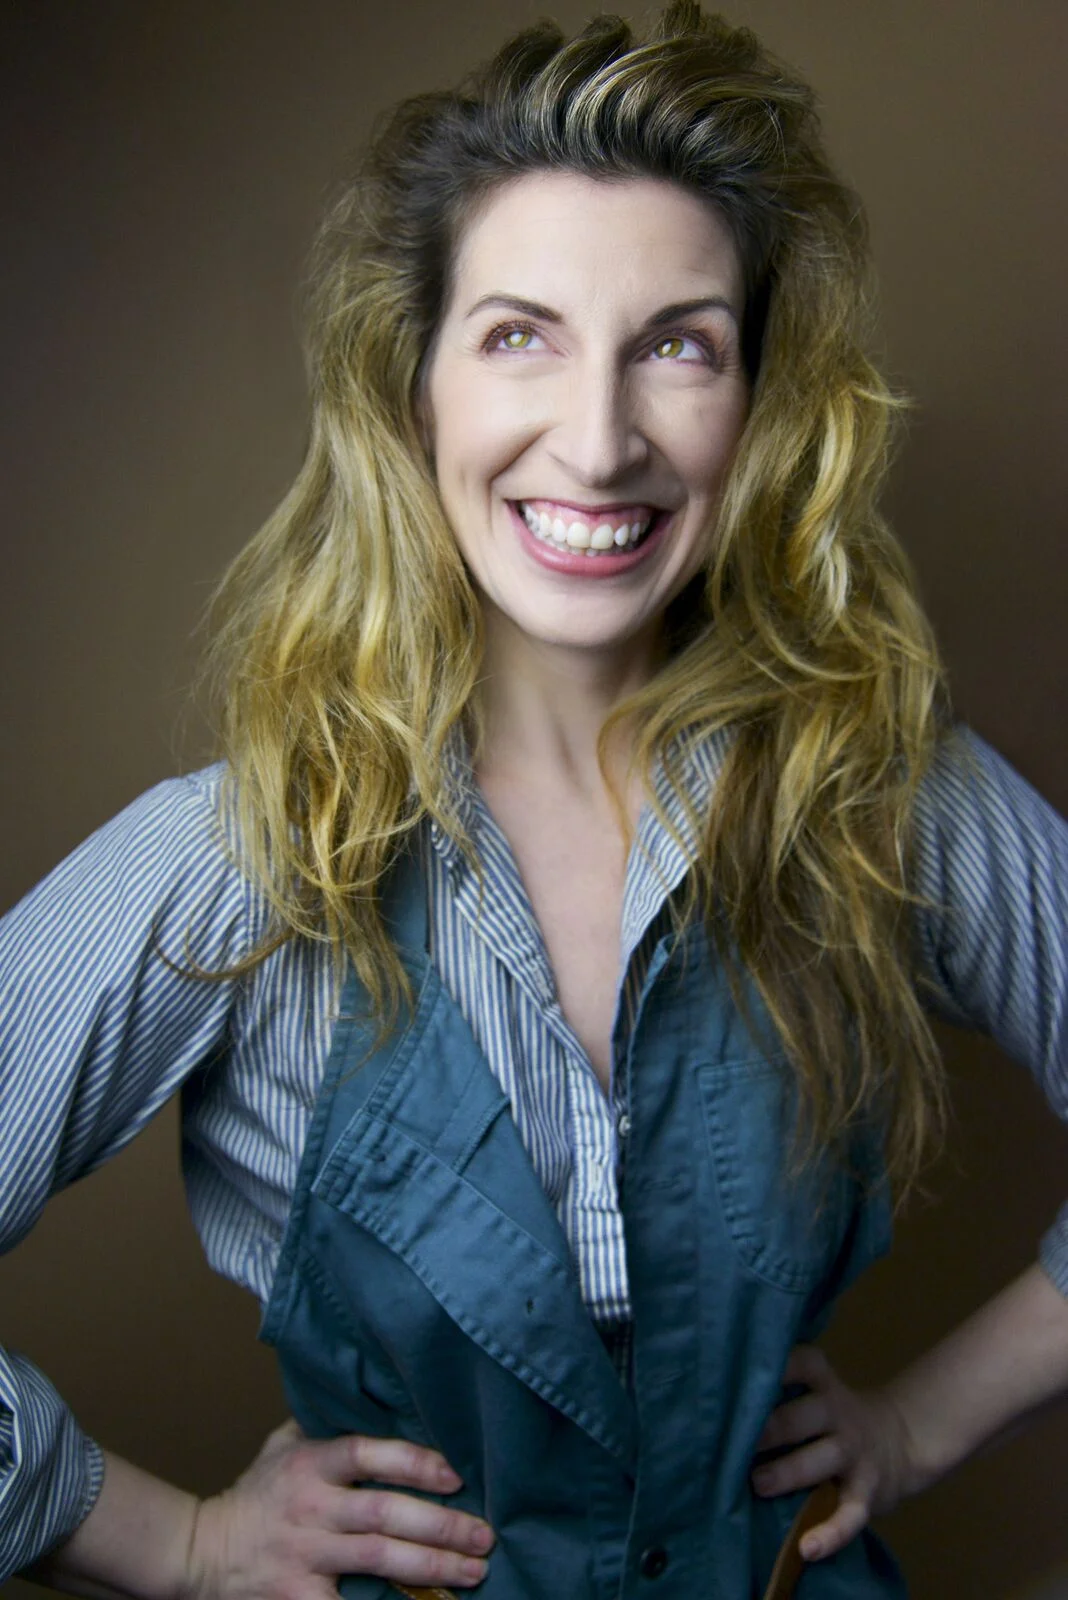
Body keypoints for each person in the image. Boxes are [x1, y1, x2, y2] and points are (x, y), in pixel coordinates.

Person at [2, 3, 1066, 1595]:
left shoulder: (876, 794)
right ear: (414, 386)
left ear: (759, 405)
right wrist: (175, 1543)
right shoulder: (243, 858)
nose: (599, 439)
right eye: (520, 336)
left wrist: (917, 1425)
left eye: (678, 345)